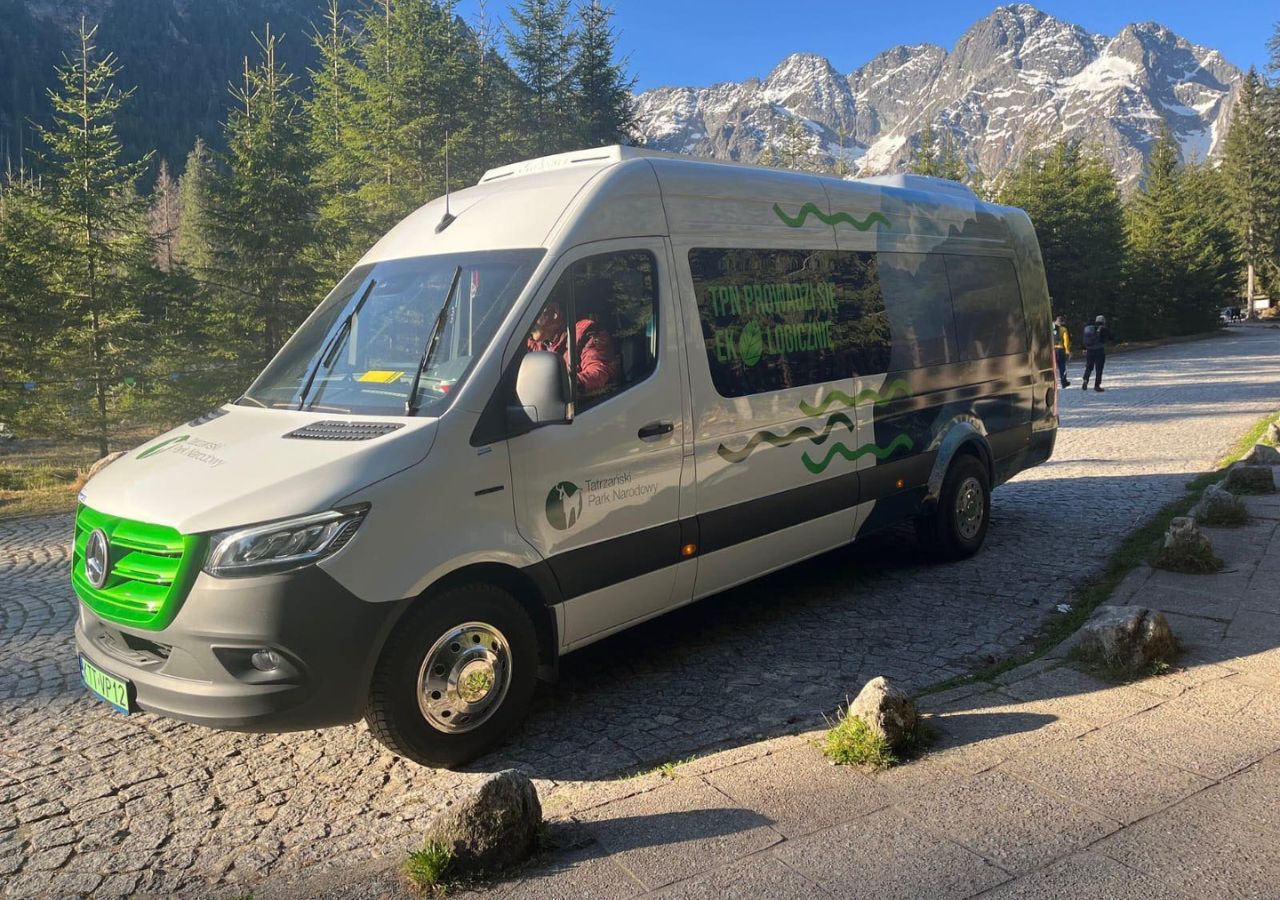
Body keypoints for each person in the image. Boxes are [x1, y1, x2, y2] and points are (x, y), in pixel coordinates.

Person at [525, 297, 620, 402]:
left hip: (585, 407)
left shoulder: (586, 332)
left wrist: (562, 385)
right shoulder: (535, 342)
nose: (528, 321)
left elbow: (599, 373)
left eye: (533, 313)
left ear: (554, 312)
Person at [1081, 314, 1109, 392]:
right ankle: (1097, 386)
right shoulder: (1103, 329)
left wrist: (1084, 348)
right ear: (1103, 321)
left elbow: (1084, 340)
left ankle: (1085, 380)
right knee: (1099, 369)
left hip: (1089, 351)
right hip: (1099, 351)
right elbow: (1106, 339)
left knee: (1089, 367)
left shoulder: (1089, 328)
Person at [1051, 314, 1071, 388]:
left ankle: (1052, 383)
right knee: (1062, 366)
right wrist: (1067, 351)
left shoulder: (1050, 328)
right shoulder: (1063, 329)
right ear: (1062, 322)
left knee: (1053, 367)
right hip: (1060, 350)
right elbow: (1066, 341)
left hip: (1052, 350)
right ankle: (1063, 382)